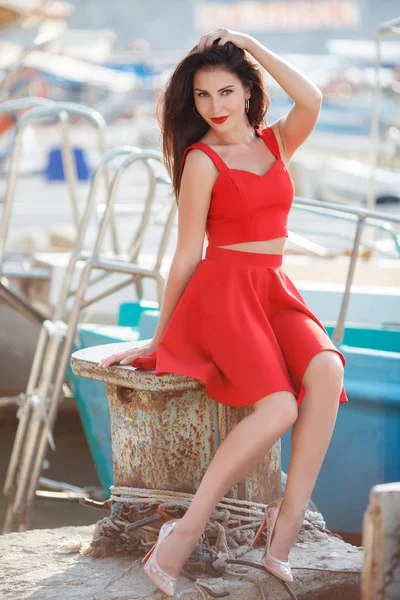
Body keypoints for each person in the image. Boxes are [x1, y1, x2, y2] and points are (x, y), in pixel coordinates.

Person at [99, 28, 348, 596]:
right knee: (280, 406)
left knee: (328, 368)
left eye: (226, 92)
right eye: (203, 96)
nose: (214, 107)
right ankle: (183, 533)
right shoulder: (201, 160)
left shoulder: (277, 143)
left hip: (272, 287)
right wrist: (159, 338)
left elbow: (311, 98)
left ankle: (283, 527)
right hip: (223, 291)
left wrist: (249, 42)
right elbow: (187, 254)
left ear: (247, 93)